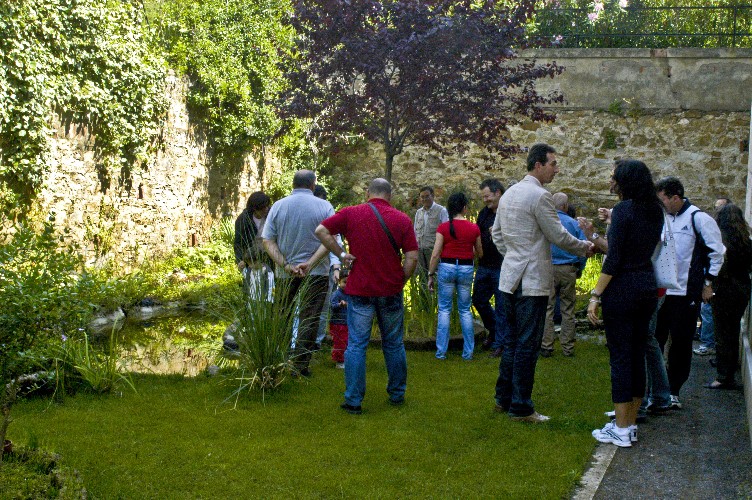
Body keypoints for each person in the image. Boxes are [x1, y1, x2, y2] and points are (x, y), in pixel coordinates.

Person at [491, 143, 593, 423]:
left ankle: (504, 398)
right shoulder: (539, 195)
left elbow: (496, 233)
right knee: (526, 344)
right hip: (530, 281)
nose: (556, 169)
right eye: (553, 163)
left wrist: (513, 255)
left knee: (512, 342)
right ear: (538, 164)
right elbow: (558, 235)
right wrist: (586, 247)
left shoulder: (509, 193)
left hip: (509, 277)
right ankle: (521, 407)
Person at [315, 178, 419, 414]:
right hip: (390, 290)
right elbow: (412, 257)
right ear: (389, 196)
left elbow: (321, 230)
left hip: (360, 290)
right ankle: (397, 393)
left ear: (367, 193)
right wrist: (400, 280)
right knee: (393, 343)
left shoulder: (351, 213)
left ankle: (353, 400)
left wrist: (341, 254)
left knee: (356, 345)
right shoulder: (402, 219)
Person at [587, 159, 664, 447]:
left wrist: (595, 296)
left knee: (620, 356)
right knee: (636, 355)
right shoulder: (655, 210)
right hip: (646, 284)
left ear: (625, 181)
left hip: (623, 289)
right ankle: (629, 424)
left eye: (614, 178)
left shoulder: (623, 210)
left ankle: (620, 428)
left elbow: (614, 258)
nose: (611, 182)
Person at [654, 176, 725, 408]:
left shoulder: (698, 218)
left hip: (685, 292)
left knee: (682, 342)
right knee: (654, 339)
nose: (660, 203)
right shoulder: (661, 217)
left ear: (675, 198)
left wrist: (708, 282)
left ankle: (674, 390)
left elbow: (717, 253)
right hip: (661, 291)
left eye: (662, 199)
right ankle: (654, 389)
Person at [262, 170, 335, 377]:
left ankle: (280, 359)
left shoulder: (278, 206)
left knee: (283, 314)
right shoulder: (324, 206)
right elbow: (329, 240)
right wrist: (310, 263)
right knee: (309, 317)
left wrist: (285, 265)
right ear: (313, 184)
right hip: (316, 272)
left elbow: (268, 240)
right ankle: (300, 365)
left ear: (293, 184)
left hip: (286, 273)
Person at [427, 192, 482, 360]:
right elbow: (480, 253)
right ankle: (468, 352)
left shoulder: (443, 228)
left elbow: (436, 254)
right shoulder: (474, 228)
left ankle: (441, 352)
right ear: (465, 208)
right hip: (465, 268)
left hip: (447, 267)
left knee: (444, 309)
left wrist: (430, 274)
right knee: (465, 310)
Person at [706, 203, 751, 389]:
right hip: (742, 287)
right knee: (731, 330)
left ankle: (724, 375)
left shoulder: (721, 241)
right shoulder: (746, 240)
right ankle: (727, 370)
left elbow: (719, 267)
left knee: (723, 333)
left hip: (724, 288)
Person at [541, 192, 587, 358]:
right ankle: (567, 346)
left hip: (549, 267)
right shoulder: (573, 224)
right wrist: (580, 268)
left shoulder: (547, 223)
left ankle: (546, 345)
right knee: (568, 309)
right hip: (568, 269)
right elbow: (583, 248)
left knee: (548, 308)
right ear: (566, 206)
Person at [472, 179, 509, 358]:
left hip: (502, 266)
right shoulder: (484, 213)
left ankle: (500, 344)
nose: (485, 200)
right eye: (483, 197)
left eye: (487, 196)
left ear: (498, 193)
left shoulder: (508, 211)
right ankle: (494, 331)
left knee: (502, 306)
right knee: (478, 300)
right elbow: (477, 235)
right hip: (485, 265)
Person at [694, 196, 733, 356]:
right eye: (716, 206)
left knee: (708, 310)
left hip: (718, 280)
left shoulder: (723, 236)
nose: (717, 210)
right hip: (718, 279)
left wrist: (708, 282)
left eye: (721, 207)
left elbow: (716, 257)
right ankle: (706, 338)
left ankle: (708, 342)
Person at [234, 191, 273, 299]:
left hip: (270, 257)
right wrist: (240, 259)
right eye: (262, 208)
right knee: (251, 290)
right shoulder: (243, 219)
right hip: (251, 258)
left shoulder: (271, 215)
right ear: (254, 208)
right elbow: (238, 242)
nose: (266, 209)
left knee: (269, 287)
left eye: (267, 206)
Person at [414, 186, 449, 276]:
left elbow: (447, 231)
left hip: (434, 251)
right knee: (422, 279)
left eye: (427, 196)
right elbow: (415, 232)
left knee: (435, 277)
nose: (424, 199)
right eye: (422, 197)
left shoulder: (441, 210)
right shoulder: (418, 212)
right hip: (420, 251)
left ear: (432, 196)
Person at [329, 269, 350, 369]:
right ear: (339, 281)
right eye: (344, 282)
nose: (346, 285)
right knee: (339, 342)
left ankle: (346, 359)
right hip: (337, 323)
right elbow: (332, 306)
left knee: (346, 341)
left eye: (349, 282)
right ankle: (339, 361)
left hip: (347, 322)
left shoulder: (350, 294)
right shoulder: (336, 294)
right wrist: (340, 304)